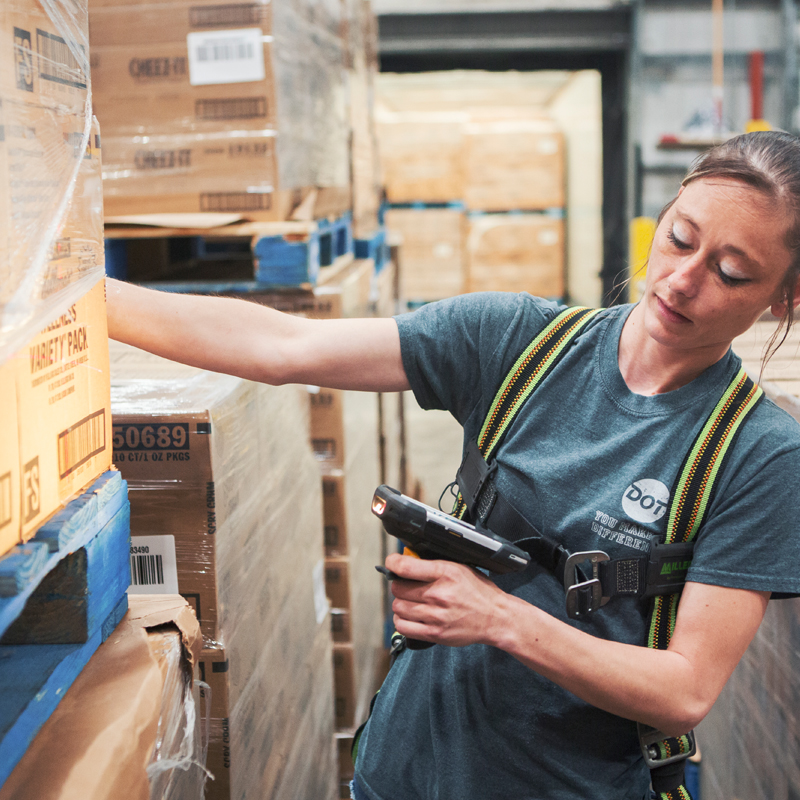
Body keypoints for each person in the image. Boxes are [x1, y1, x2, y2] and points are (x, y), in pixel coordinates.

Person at [107, 130, 800, 800]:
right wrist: (81, 294)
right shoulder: (519, 343)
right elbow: (283, 346)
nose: (682, 280)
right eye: (679, 238)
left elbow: (685, 691)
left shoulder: (756, 453)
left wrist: (500, 618)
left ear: (783, 299)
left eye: (731, 272)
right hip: (401, 771)